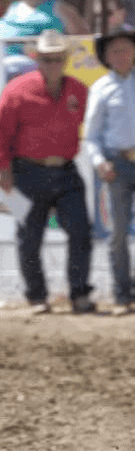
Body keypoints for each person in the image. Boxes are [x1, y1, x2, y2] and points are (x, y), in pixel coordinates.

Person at [0, 29, 95, 315]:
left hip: (66, 170)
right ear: (37, 59)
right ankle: (37, 297)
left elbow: (94, 126)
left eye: (58, 58)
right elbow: (0, 131)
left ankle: (79, 293)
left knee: (81, 231)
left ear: (65, 60)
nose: (52, 64)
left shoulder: (78, 90)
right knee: (29, 237)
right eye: (47, 59)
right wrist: (2, 168)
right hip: (26, 171)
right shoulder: (18, 90)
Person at [84, 29, 135, 313]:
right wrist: (99, 161)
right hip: (118, 163)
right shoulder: (101, 89)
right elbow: (91, 136)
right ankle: (121, 295)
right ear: (106, 57)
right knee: (117, 233)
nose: (121, 55)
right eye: (114, 51)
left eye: (125, 49)